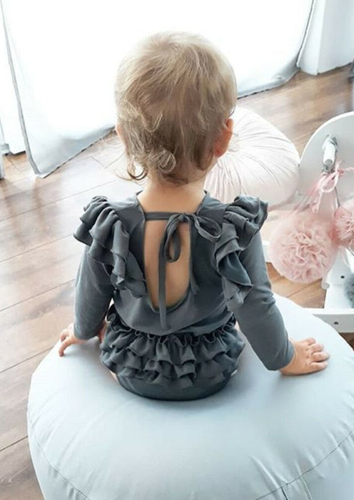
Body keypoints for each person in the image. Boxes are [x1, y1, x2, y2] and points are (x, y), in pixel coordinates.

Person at [58, 31, 329, 401]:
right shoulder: (232, 229)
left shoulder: (110, 225)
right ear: (224, 138)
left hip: (130, 368)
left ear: (124, 138)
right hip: (210, 371)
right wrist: (287, 357)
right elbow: (256, 308)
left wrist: (82, 330)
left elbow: (90, 295)